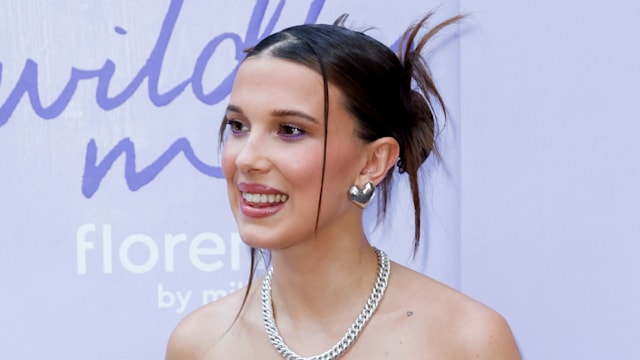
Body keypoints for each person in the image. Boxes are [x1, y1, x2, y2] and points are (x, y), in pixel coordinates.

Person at [166, 12, 521, 360]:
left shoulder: (465, 341)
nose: (246, 159)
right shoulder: (200, 344)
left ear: (373, 162)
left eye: (290, 130)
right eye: (239, 126)